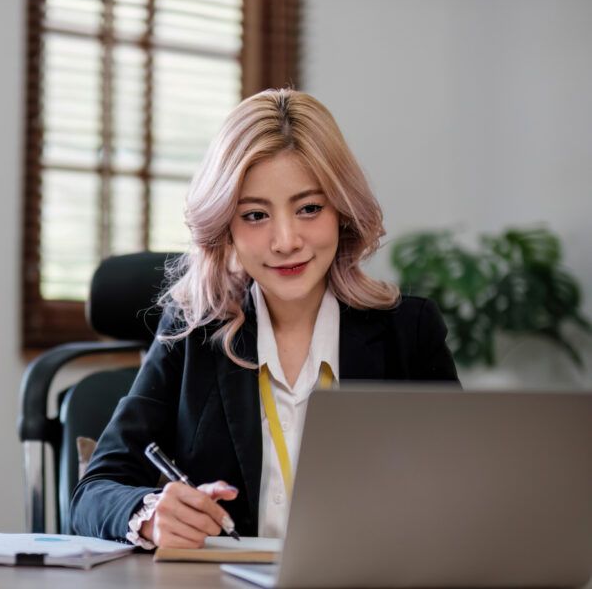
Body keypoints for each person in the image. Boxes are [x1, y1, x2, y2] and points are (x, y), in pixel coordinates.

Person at [70, 88, 459, 549]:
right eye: (255, 215)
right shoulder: (192, 330)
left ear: (343, 212)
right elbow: (94, 493)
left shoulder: (409, 332)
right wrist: (151, 514)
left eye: (309, 208)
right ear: (225, 227)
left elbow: (464, 493)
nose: (286, 240)